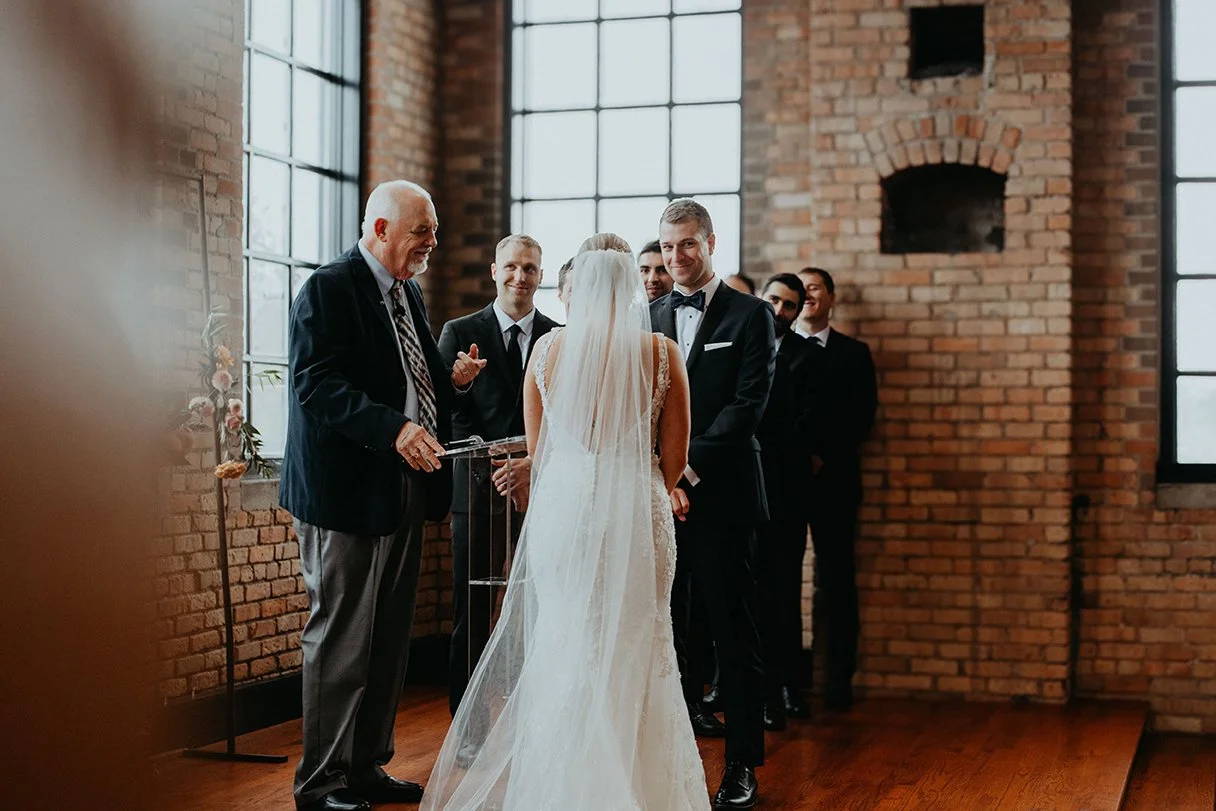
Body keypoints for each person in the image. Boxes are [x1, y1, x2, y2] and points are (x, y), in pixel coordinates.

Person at [423, 237, 708, 810]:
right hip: (636, 509)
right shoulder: (662, 353)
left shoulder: (548, 350)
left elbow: (541, 450)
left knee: (565, 641)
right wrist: (630, 465)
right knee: (638, 641)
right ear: (629, 289)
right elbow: (675, 462)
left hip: (567, 510)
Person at [280, 181, 486, 811]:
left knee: (390, 636)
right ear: (380, 229)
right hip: (343, 492)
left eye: (434, 230)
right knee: (341, 637)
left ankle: (367, 767)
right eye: (422, 231)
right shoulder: (328, 289)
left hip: (403, 486)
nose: (432, 243)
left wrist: (453, 382)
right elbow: (317, 384)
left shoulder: (407, 292)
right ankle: (322, 783)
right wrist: (395, 429)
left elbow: (412, 380)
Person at [652, 199, 774, 809]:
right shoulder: (647, 316)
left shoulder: (751, 315)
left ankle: (742, 764)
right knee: (664, 632)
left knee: (733, 633)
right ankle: (661, 764)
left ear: (710, 243)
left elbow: (747, 407)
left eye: (687, 245)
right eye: (667, 246)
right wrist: (660, 479)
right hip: (657, 500)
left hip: (721, 497)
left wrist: (684, 471)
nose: (675, 257)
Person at [437, 234, 559, 719]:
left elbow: (564, 416)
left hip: (543, 487)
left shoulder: (557, 336)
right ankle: (467, 726)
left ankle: (533, 717)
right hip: (477, 488)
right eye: (510, 266)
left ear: (541, 276)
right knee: (472, 607)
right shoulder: (459, 331)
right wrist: (460, 385)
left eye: (529, 268)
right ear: (494, 271)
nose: (519, 277)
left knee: (541, 601)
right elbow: (444, 413)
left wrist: (534, 465)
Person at [794, 266, 877, 711]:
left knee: (837, 579)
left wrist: (822, 454)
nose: (807, 295)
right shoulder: (776, 347)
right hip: (786, 481)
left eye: (815, 288)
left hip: (836, 481)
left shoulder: (854, 354)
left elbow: (863, 416)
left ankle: (839, 678)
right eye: (801, 288)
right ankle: (789, 681)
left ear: (830, 298)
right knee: (781, 579)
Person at [755, 273, 818, 725]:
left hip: (787, 490)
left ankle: (784, 685)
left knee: (783, 589)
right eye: (773, 300)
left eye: (789, 305)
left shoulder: (809, 357)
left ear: (798, 312)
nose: (779, 311)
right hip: (741, 485)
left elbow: (806, 424)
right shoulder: (743, 345)